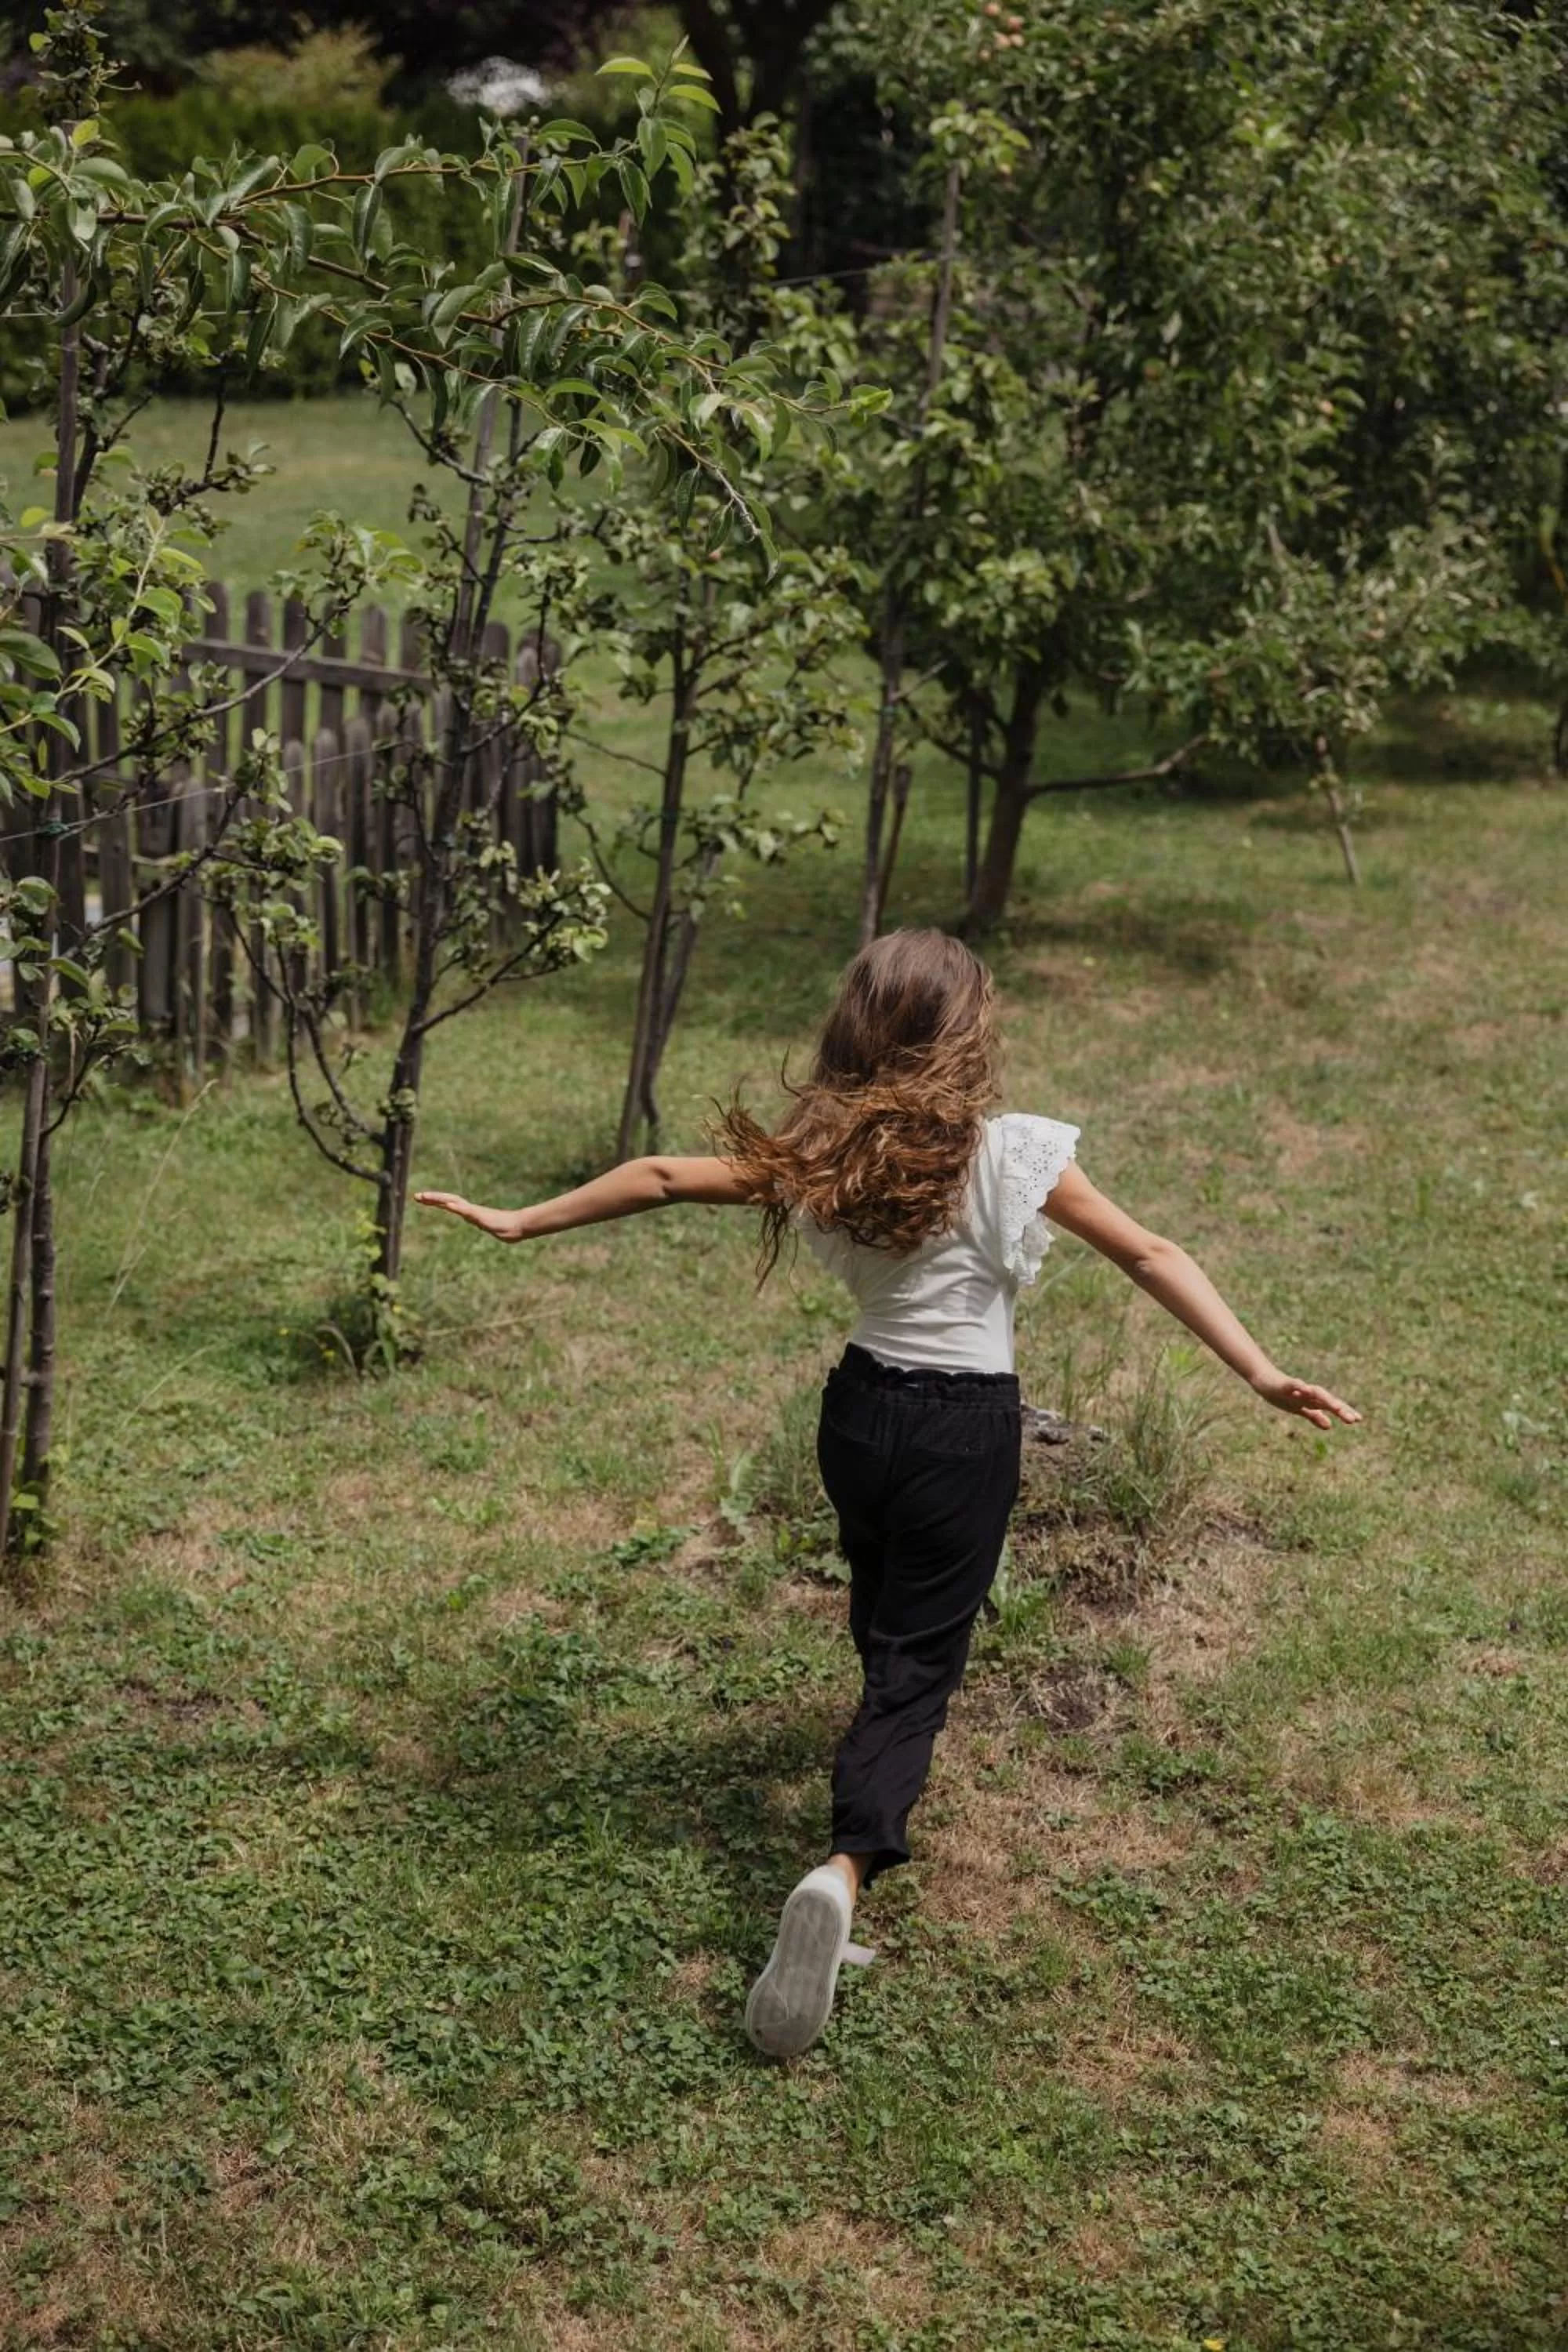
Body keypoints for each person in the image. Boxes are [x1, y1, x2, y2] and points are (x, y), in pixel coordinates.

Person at [416, 928, 1359, 2060]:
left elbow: (664, 1175)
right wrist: (1257, 1369)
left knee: (881, 1608)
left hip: (858, 1414)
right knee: (921, 1661)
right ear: (967, 1031)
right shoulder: (1011, 1152)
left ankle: (869, 1771)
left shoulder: (823, 1152)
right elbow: (1150, 1251)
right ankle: (845, 1868)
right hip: (965, 1428)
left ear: (855, 1025)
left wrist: (524, 1219)